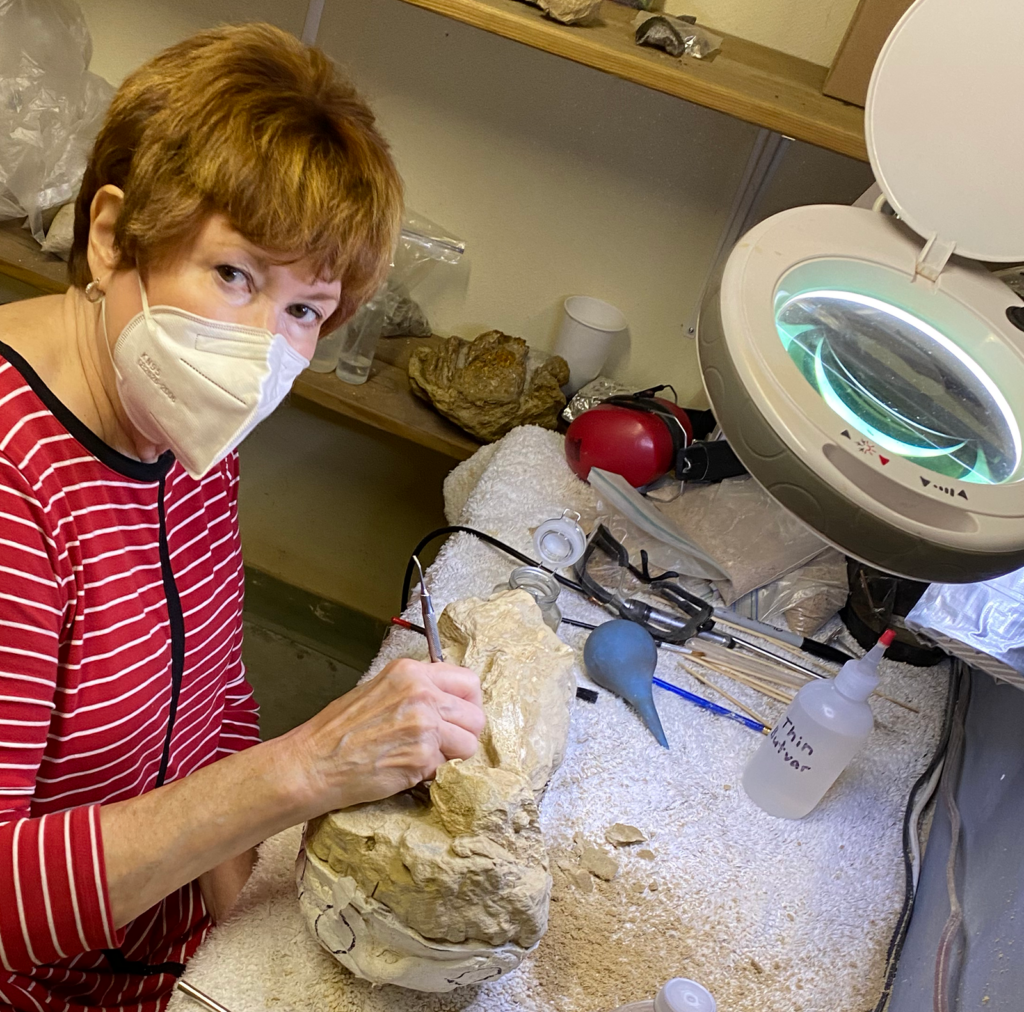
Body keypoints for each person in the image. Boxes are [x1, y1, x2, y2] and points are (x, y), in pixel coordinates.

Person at [0, 23, 485, 1012]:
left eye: (305, 309)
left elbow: (210, 700)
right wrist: (298, 772)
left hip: (164, 953)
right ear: (110, 235)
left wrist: (248, 932)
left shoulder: (176, 424)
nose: (264, 349)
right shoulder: (17, 488)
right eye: (235, 276)